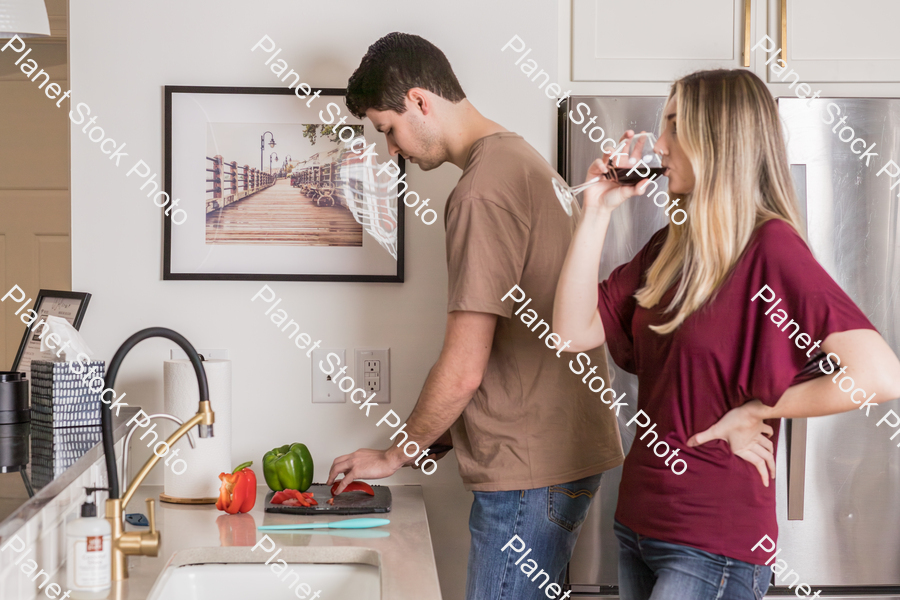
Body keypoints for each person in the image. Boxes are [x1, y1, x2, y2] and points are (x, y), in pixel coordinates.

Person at [553, 68, 900, 599]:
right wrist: (595, 212)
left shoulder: (771, 248)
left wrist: (763, 408)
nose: (660, 143)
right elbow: (571, 331)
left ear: (717, 138)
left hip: (713, 542)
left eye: (673, 124)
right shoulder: (670, 247)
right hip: (639, 522)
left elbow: (878, 374)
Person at [325, 32, 624, 599]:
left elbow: (465, 365)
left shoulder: (480, 191)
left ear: (419, 101)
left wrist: (395, 454)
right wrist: (424, 446)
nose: (391, 150)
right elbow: (509, 348)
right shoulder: (519, 158)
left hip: (528, 475)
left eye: (387, 129)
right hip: (556, 461)